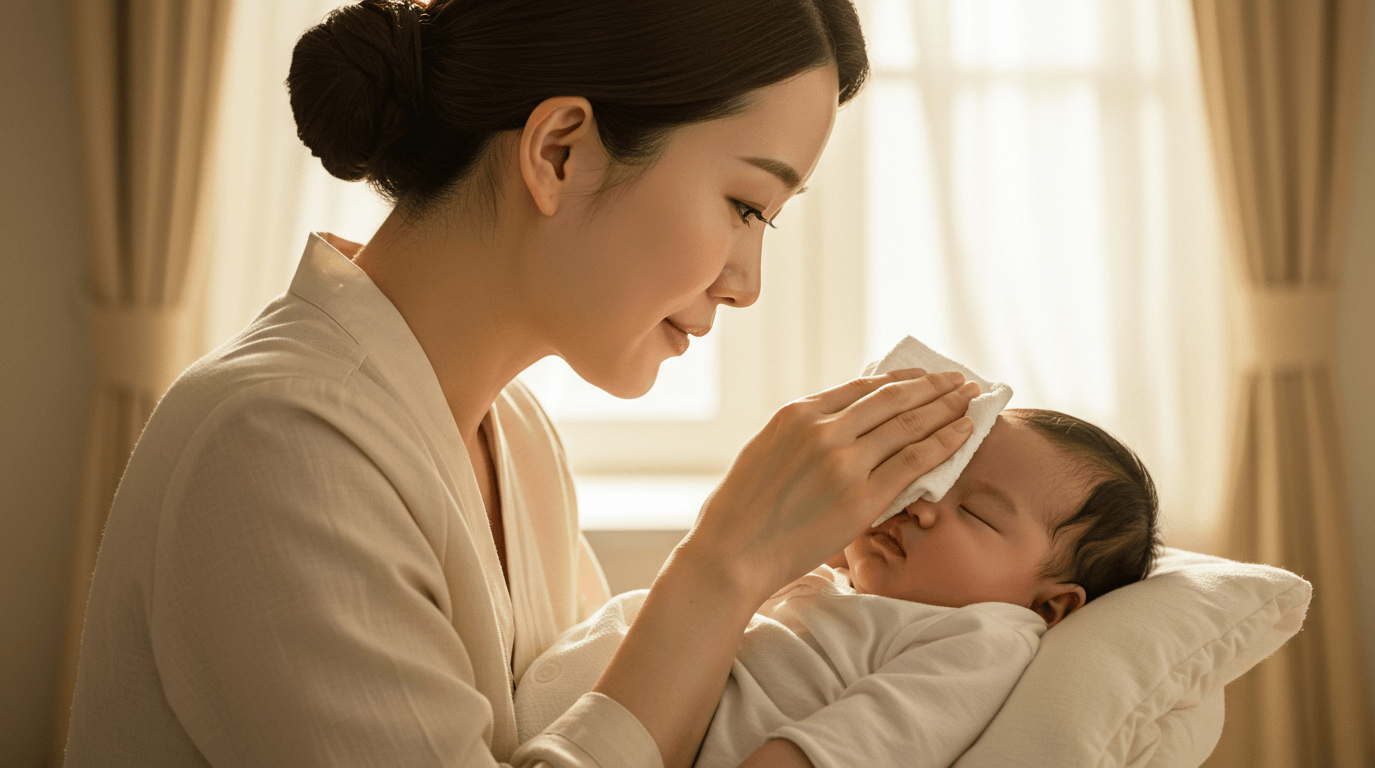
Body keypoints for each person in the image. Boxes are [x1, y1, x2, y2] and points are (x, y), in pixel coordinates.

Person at [62, 2, 987, 768]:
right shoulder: (277, 443)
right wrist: (725, 565)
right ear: (559, 152)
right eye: (746, 206)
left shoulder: (517, 436)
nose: (746, 283)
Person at [514, 408, 1161, 768]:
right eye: (931, 479)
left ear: (1049, 604)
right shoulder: (843, 581)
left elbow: (867, 740)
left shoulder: (981, 637)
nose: (924, 505)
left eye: (977, 513)